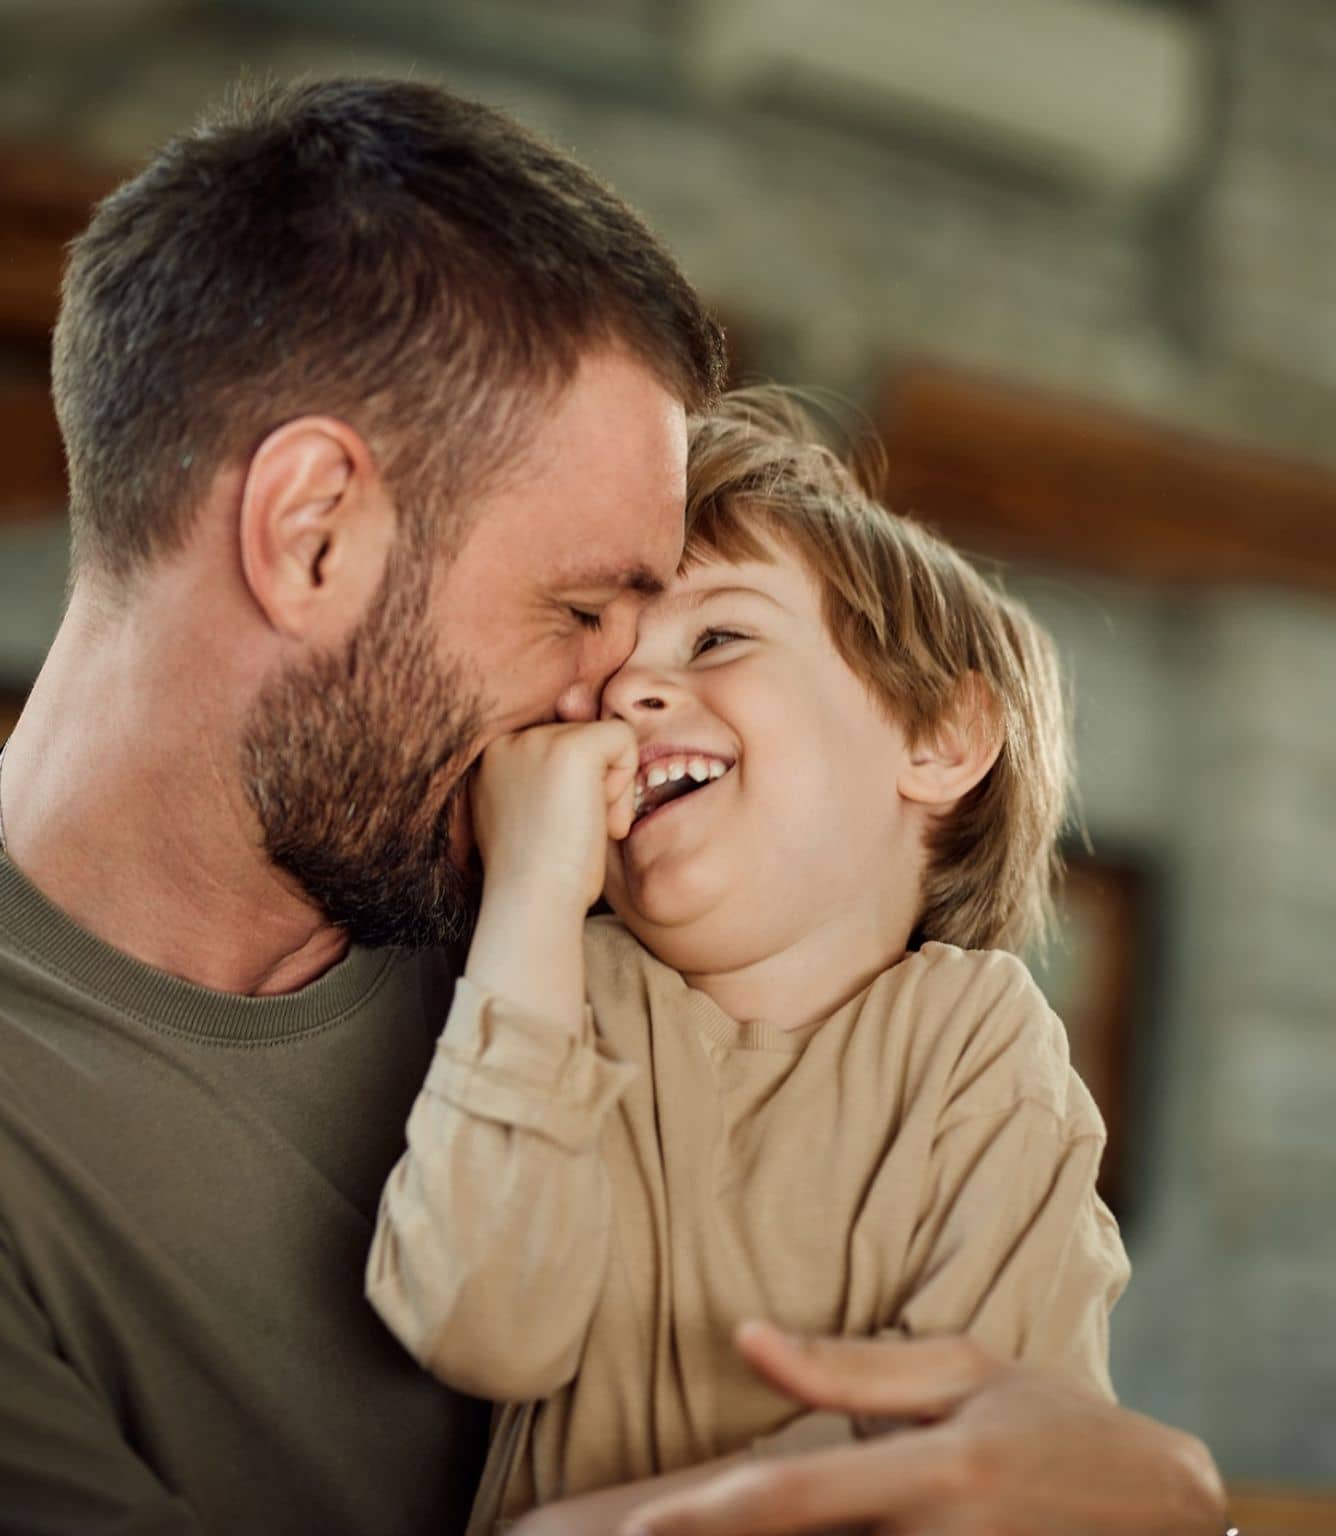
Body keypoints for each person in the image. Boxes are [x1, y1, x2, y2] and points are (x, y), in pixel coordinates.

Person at [0, 74, 1224, 1536]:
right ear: (311, 535)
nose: (611, 707)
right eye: (584, 609)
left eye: (695, 634)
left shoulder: (579, 916)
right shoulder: (536, 938)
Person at [366, 389, 1119, 1534]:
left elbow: (977, 1457)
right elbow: (480, 1321)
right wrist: (528, 893)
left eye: (716, 636)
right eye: (604, 673)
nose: (626, 695)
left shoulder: (979, 1042)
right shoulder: (560, 992)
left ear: (939, 739)